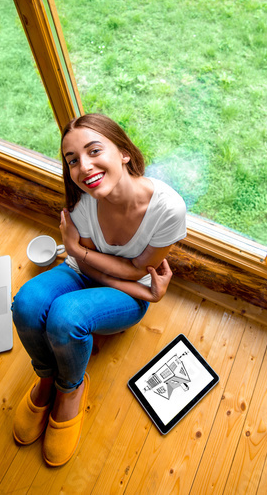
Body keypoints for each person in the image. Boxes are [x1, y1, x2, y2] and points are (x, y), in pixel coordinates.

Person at [11, 113, 187, 466]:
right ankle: (47, 377)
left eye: (94, 151)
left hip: (127, 292)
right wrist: (80, 256)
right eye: (72, 160)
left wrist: (79, 251)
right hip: (90, 273)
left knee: (65, 318)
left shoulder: (169, 210)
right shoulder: (82, 201)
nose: (83, 167)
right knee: (26, 303)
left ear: (123, 151)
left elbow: (138, 269)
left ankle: (69, 389)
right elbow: (89, 266)